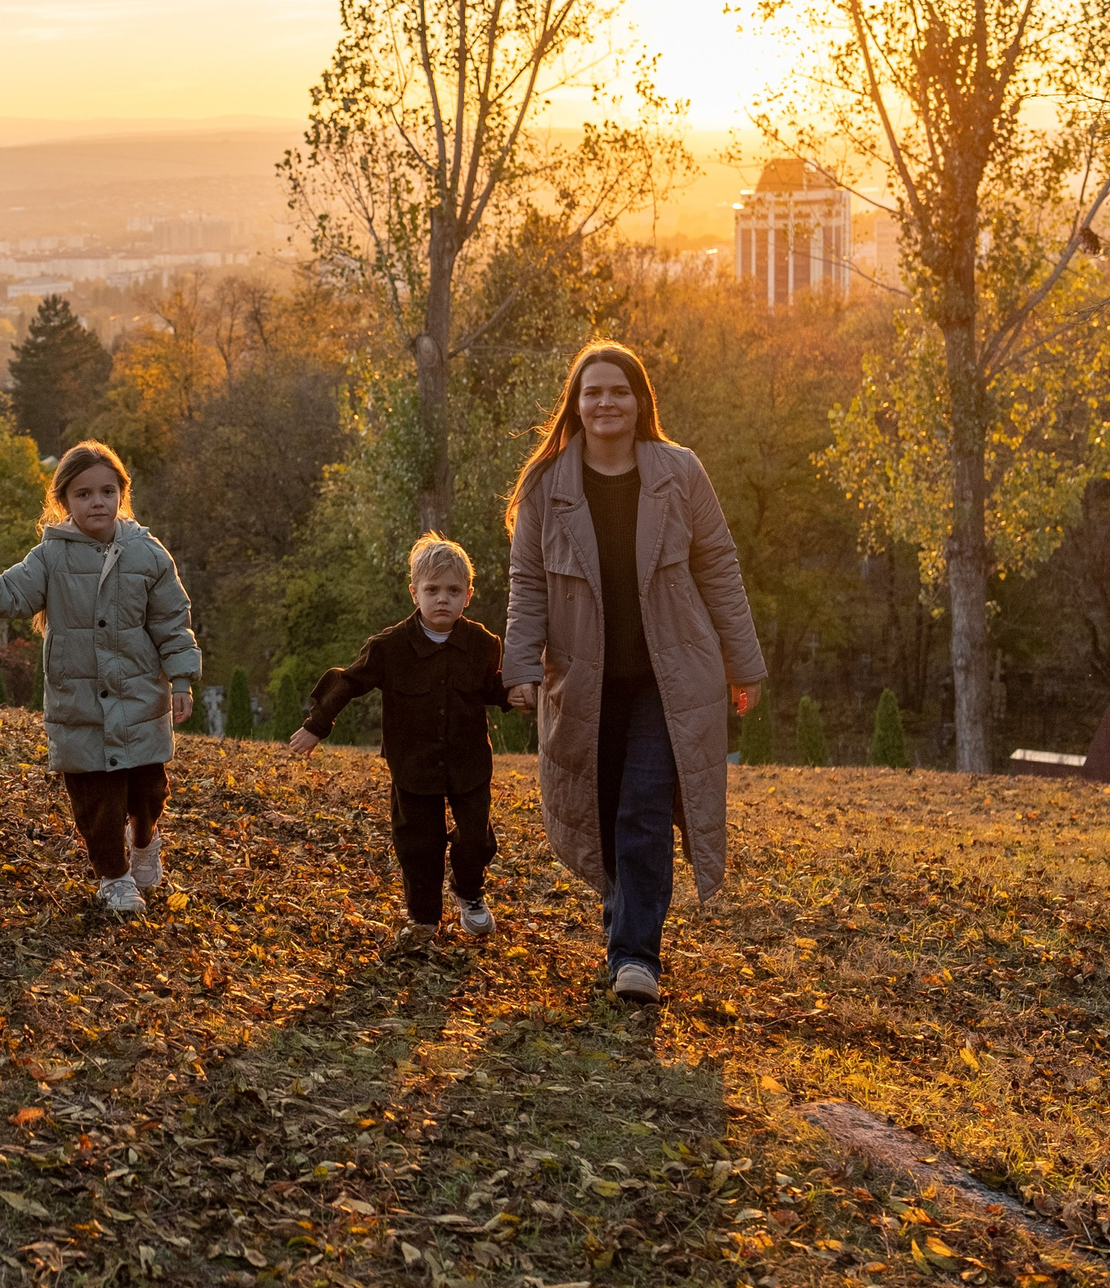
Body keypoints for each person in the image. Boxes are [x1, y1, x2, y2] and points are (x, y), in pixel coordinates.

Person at [501, 341, 765, 1005]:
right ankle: (624, 925)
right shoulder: (546, 485)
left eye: (618, 391)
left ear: (641, 401)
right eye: (592, 392)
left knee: (644, 806)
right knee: (602, 809)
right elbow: (526, 583)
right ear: (575, 404)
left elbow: (720, 568)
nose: (606, 403)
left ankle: (635, 956)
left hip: (669, 676)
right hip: (582, 680)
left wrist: (744, 663)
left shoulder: (681, 472)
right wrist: (519, 666)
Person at [0, 442, 199, 915]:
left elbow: (172, 620)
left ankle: (144, 840)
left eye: (107, 491)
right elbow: (9, 597)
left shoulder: (148, 553)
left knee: (148, 793)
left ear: (122, 494)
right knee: (96, 804)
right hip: (77, 702)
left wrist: (182, 678)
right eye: (83, 494)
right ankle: (115, 878)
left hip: (139, 698)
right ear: (64, 501)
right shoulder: (50, 556)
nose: (97, 502)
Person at [287, 533, 512, 949]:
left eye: (453, 590)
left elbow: (496, 691)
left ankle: (469, 892)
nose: (442, 599)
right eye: (432, 590)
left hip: (468, 762)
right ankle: (424, 918)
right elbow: (349, 682)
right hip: (414, 765)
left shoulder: (484, 645)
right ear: (414, 592)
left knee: (476, 836)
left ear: (468, 595)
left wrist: (526, 695)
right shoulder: (390, 647)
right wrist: (317, 725)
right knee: (418, 842)